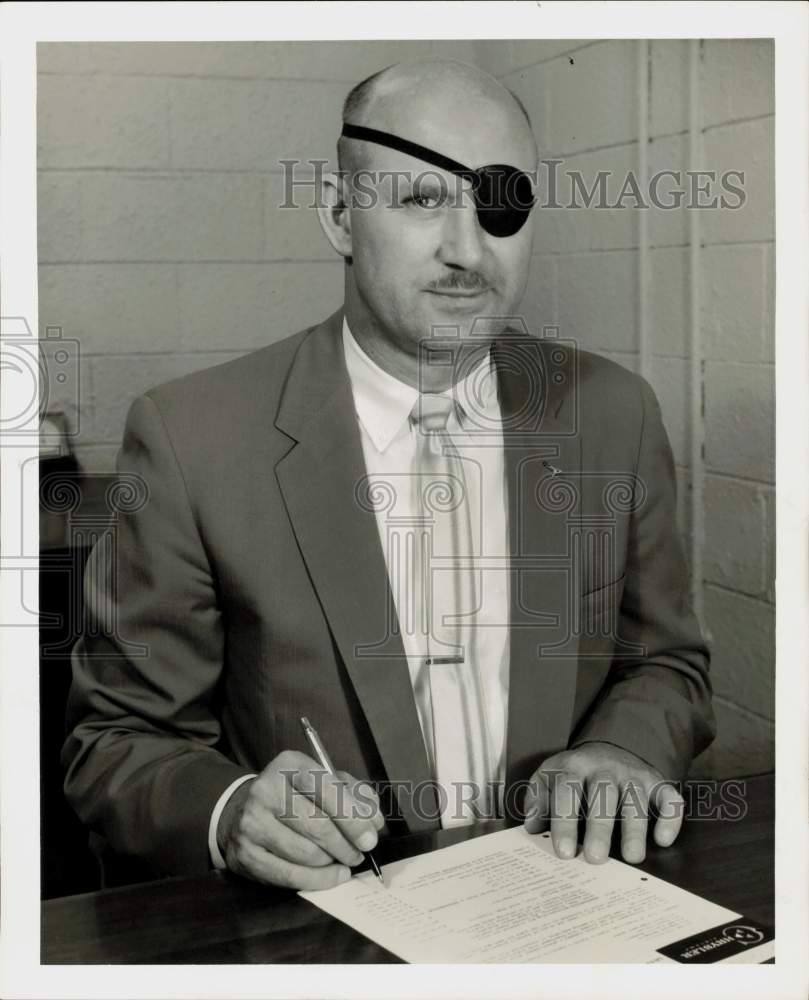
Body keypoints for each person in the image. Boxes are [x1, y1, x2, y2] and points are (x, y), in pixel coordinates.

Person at [62, 59, 715, 892]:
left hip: (566, 900)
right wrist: (229, 809)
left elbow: (667, 663)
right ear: (340, 215)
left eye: (499, 205)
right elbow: (114, 742)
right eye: (420, 200)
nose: (466, 250)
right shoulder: (191, 438)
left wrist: (622, 748)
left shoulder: (613, 414)